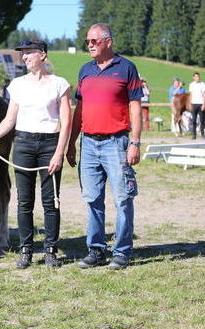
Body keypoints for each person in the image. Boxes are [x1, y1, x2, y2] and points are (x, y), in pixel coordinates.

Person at [0, 39, 71, 269]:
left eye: (29, 53)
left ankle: (50, 250)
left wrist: (59, 153)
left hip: (50, 143)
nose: (24, 57)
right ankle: (26, 250)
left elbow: (66, 121)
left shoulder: (59, 84)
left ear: (43, 55)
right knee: (24, 201)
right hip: (23, 143)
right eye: (23, 54)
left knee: (51, 202)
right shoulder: (18, 85)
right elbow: (10, 119)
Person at [66, 23, 142, 270]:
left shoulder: (127, 68)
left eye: (94, 41)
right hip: (88, 143)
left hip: (116, 143)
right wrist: (71, 143)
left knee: (122, 199)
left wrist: (135, 142)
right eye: (87, 41)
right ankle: (96, 250)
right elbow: (80, 110)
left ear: (108, 41)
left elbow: (135, 108)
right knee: (92, 199)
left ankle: (121, 252)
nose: (89, 45)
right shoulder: (85, 70)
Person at [188, 72, 205, 139]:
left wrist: (204, 104)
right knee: (194, 120)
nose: (197, 78)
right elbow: (190, 95)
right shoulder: (191, 84)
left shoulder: (203, 84)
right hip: (193, 104)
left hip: (201, 104)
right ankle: (194, 135)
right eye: (196, 77)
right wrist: (190, 104)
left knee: (202, 120)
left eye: (198, 76)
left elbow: (204, 94)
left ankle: (202, 133)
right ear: (193, 77)